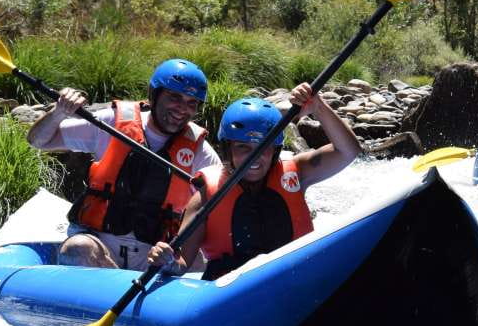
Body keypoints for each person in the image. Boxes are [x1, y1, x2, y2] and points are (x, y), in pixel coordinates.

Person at [147, 83, 362, 279]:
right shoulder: (205, 198)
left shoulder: (297, 172)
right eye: (243, 147)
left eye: (263, 148)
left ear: (275, 151)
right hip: (234, 292)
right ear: (227, 149)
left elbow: (349, 151)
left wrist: (319, 107)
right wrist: (167, 261)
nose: (254, 157)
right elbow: (182, 262)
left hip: (293, 279)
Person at [27, 59, 219, 270]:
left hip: (154, 257)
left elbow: (220, 198)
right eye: (174, 97)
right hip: (99, 248)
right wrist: (59, 112)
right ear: (153, 95)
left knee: (198, 262)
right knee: (77, 248)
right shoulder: (111, 123)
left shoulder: (198, 149)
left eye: (192, 102)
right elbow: (38, 141)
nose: (182, 109)